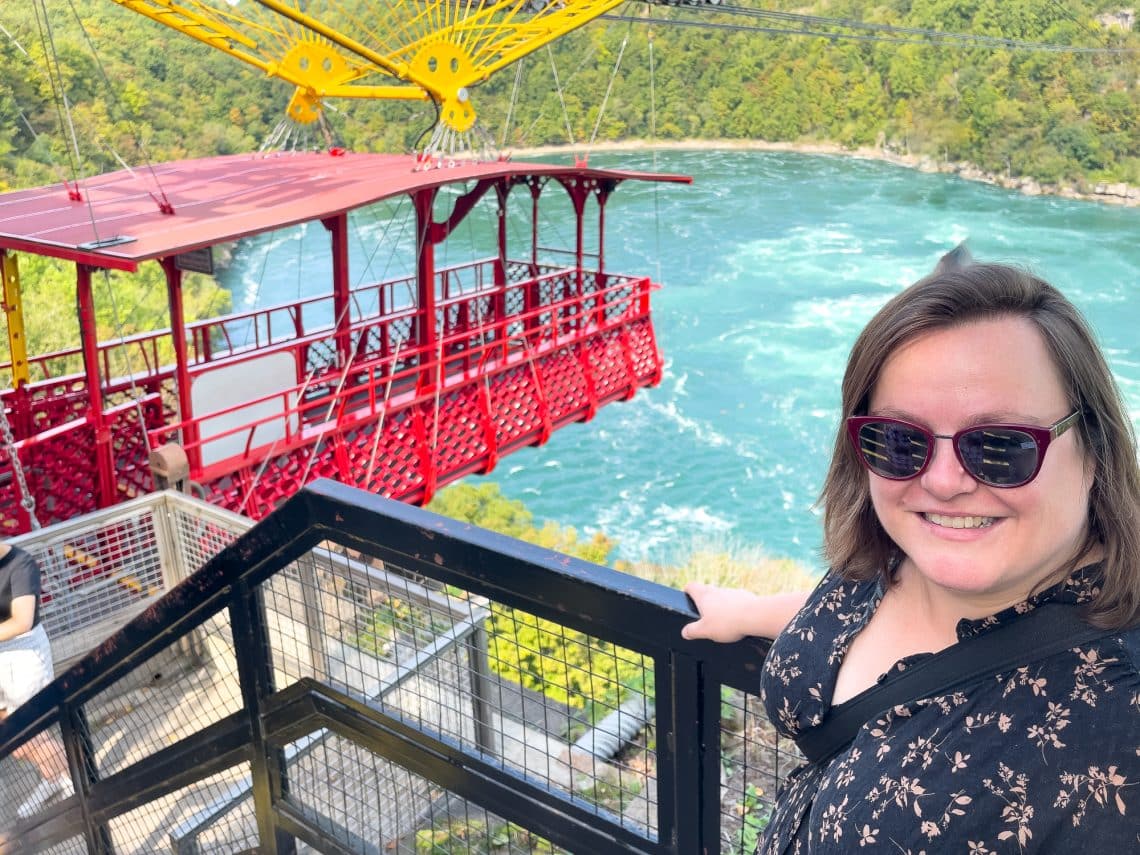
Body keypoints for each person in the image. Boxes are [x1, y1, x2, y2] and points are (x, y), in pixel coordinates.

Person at [683, 256, 1140, 851]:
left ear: (1095, 450)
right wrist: (750, 612)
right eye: (899, 440)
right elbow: (856, 615)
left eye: (1000, 445)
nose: (944, 481)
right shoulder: (894, 556)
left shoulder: (1117, 723)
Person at [0, 541, 73, 820]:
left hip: (24, 653)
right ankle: (53, 778)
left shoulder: (21, 564)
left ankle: (74, 783)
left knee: (28, 733)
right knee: (14, 738)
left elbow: (22, 621)